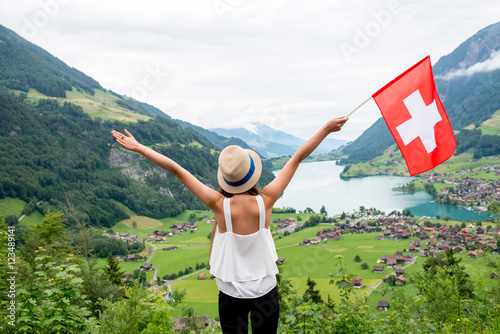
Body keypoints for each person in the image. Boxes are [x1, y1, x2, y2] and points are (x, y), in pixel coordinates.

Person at [111, 115, 348, 333]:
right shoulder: (266, 201)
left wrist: (140, 147)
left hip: (231, 294)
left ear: (226, 178)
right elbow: (296, 159)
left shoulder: (218, 204)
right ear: (252, 173)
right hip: (265, 291)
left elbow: (176, 169)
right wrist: (326, 129)